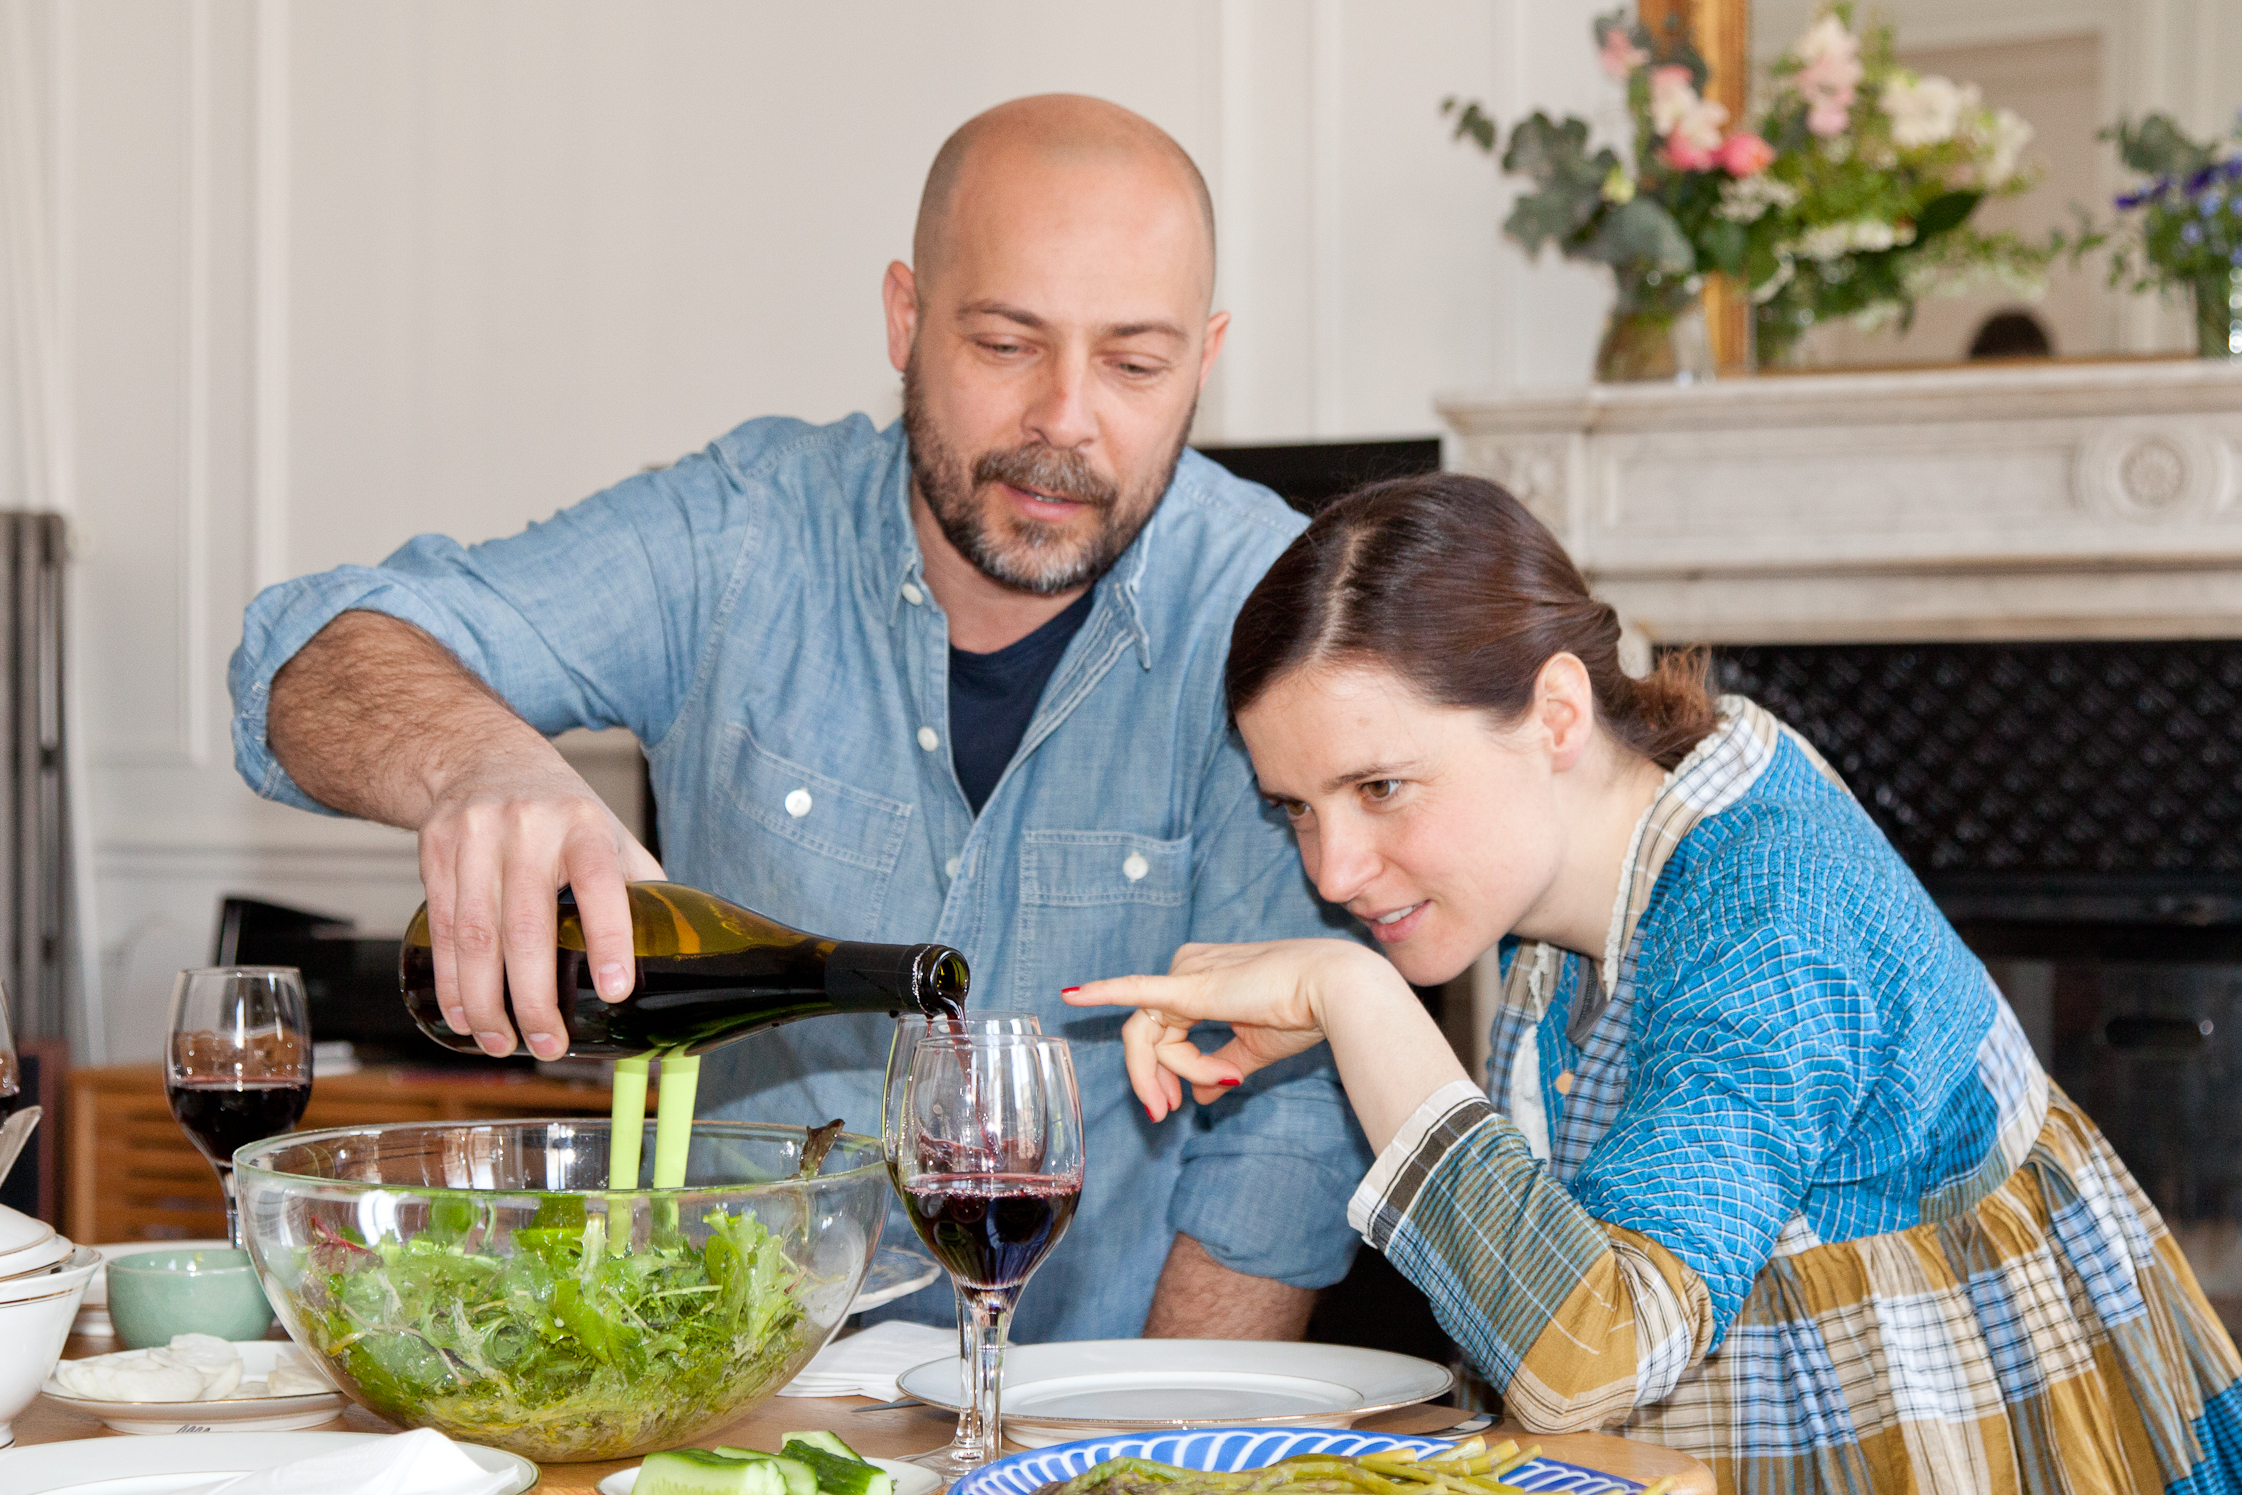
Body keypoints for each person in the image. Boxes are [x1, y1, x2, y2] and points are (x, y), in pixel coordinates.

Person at [226, 94, 1372, 1343]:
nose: (1066, 418)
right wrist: (475, 762)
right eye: (1005, 343)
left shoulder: (1273, 609)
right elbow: (302, 654)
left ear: (1203, 358)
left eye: (1134, 365)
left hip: (1094, 1411)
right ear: (905, 318)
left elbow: (1287, 1131)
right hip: (735, 1398)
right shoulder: (743, 535)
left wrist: (1156, 1438)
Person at [1069, 473, 2242, 1491]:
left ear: (1557, 713)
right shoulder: (1588, 863)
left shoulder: (1768, 904)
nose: (1332, 872)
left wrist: (1358, 1001)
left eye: (1380, 788)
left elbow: (1589, 1356)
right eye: (1296, 808)